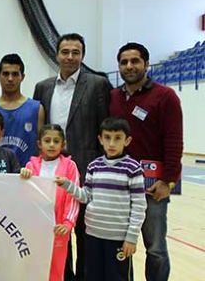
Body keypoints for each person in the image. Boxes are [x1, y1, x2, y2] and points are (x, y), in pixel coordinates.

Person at [34, 33, 112, 280]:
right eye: (65, 51)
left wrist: (101, 171)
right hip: (53, 176)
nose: (69, 57)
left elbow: (104, 128)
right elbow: (41, 127)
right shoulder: (43, 87)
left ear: (82, 56)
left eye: (75, 52)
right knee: (58, 234)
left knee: (84, 234)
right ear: (56, 54)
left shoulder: (98, 84)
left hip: (87, 172)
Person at [110, 42, 182, 281]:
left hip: (152, 188)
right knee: (121, 246)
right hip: (119, 187)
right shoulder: (113, 97)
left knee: (156, 249)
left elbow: (174, 140)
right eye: (124, 62)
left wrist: (168, 181)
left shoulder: (165, 96)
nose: (129, 66)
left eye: (135, 61)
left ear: (146, 64)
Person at [52, 117, 147, 281]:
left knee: (116, 276)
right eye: (107, 138)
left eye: (117, 138)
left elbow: (139, 206)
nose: (111, 143)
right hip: (93, 235)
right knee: (93, 275)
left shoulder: (133, 168)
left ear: (127, 140)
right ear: (100, 139)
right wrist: (68, 185)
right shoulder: (94, 166)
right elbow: (86, 196)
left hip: (118, 238)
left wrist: (131, 237)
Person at [20, 124, 80, 281]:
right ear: (40, 144)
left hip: (58, 228)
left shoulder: (70, 166)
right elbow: (24, 197)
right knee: (34, 267)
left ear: (63, 144)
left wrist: (68, 223)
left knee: (56, 270)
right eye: (47, 140)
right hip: (36, 229)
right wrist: (23, 178)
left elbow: (72, 197)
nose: (52, 144)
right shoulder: (30, 167)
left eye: (56, 141)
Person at [0, 53, 45, 166]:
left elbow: (43, 148)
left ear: (22, 76)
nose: (10, 79)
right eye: (6, 74)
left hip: (29, 176)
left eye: (15, 74)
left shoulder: (36, 109)